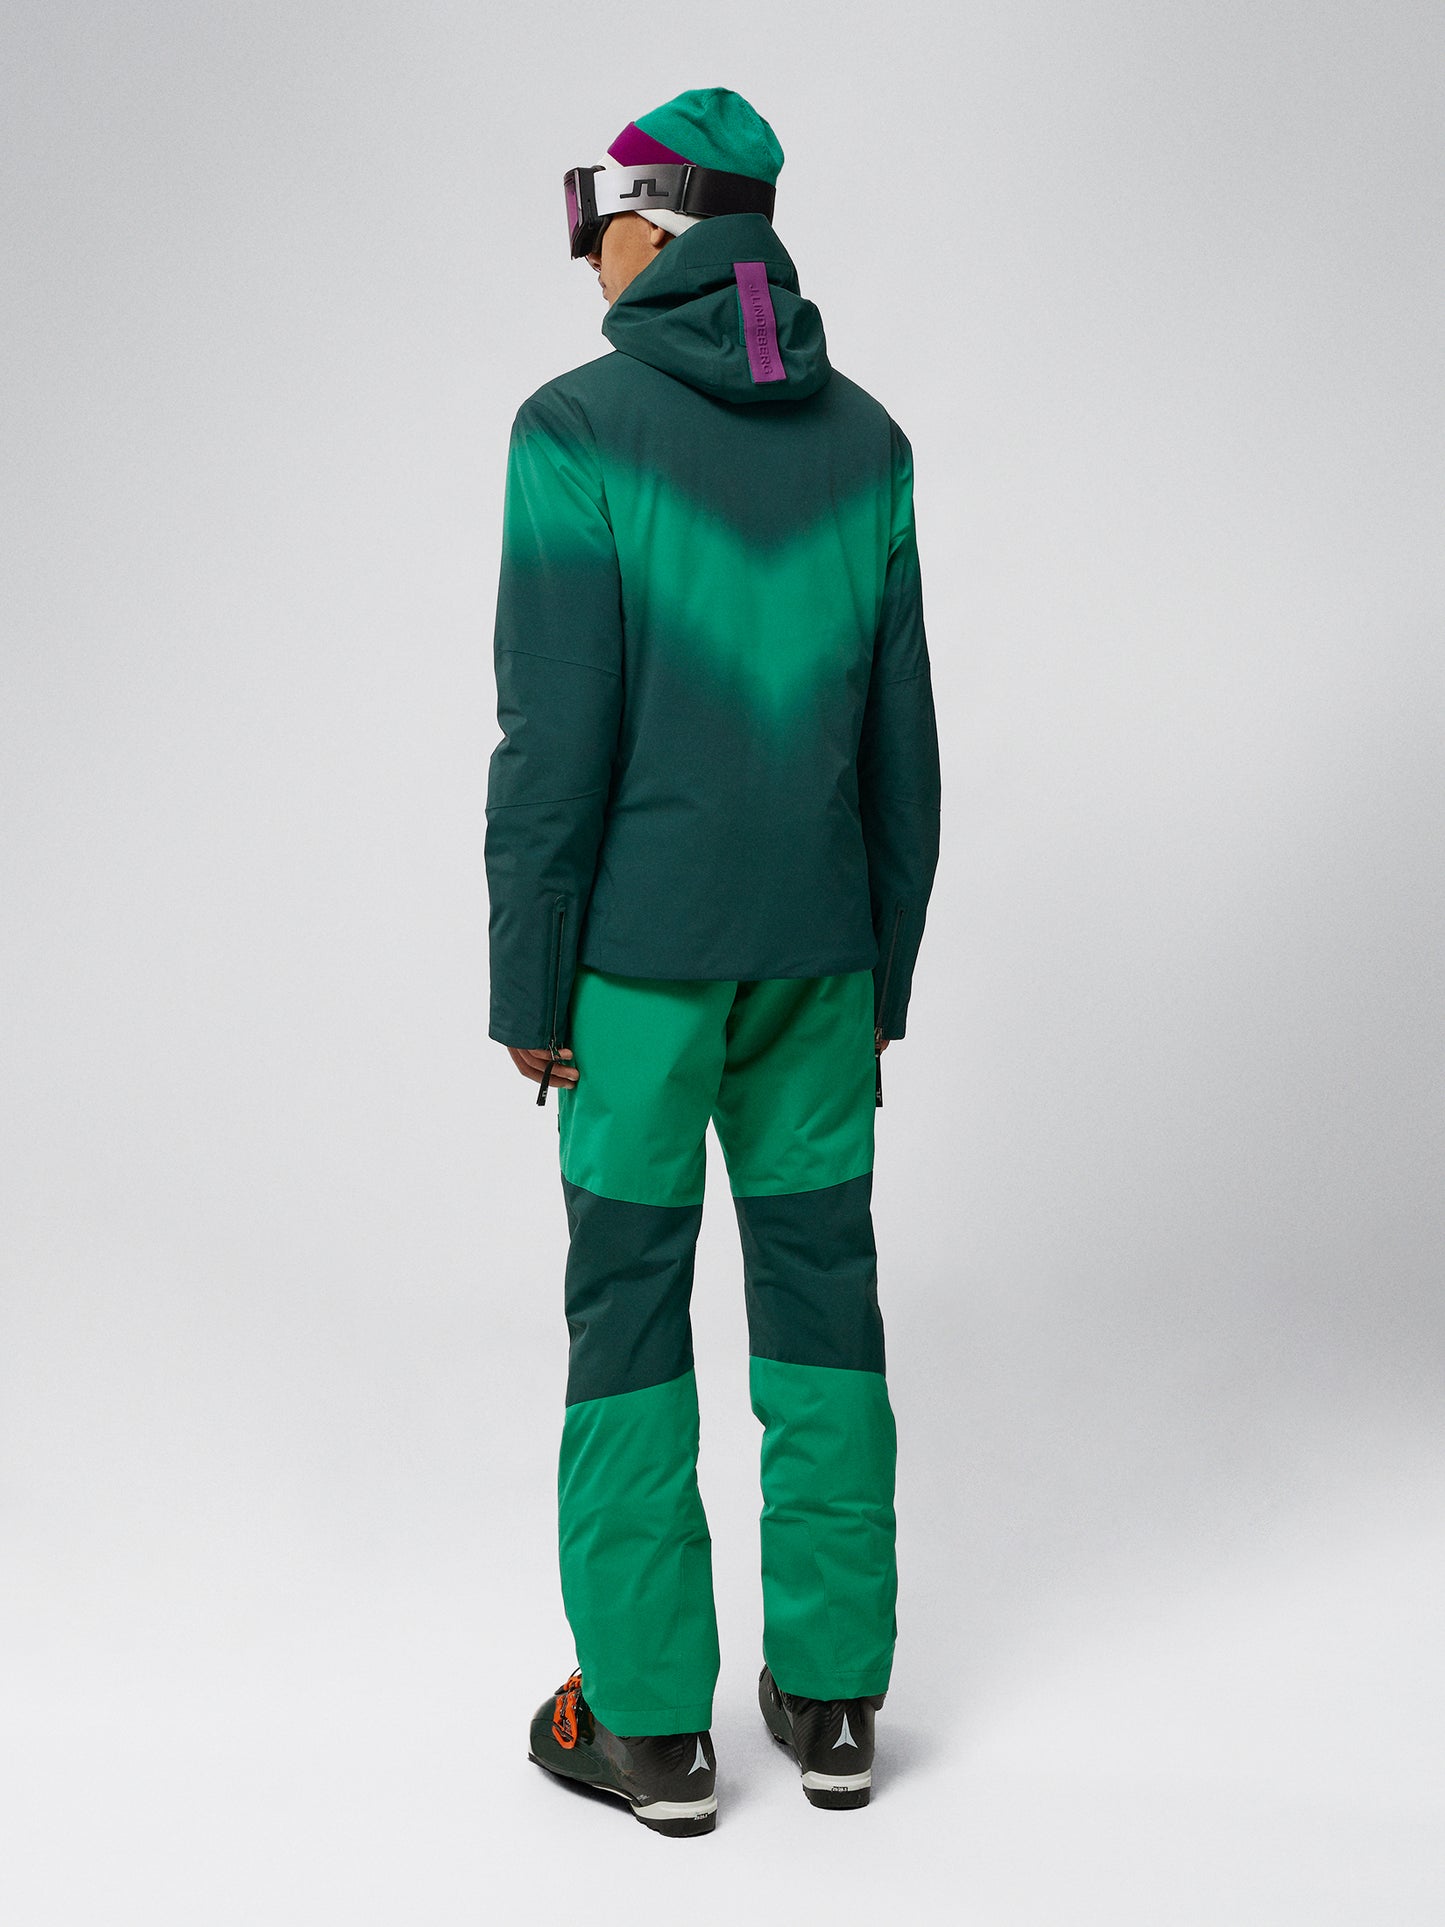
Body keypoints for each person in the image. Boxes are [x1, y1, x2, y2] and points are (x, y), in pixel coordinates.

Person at [485, 87, 941, 1836]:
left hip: (634, 973)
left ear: (658, 220)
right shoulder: (870, 443)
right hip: (819, 962)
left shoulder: (573, 429)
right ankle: (833, 1705)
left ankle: (650, 1729)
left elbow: (552, 739)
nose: (581, 245)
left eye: (591, 210)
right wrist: (880, 971)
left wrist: (529, 983)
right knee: (824, 1305)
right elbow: (902, 751)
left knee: (626, 1314)